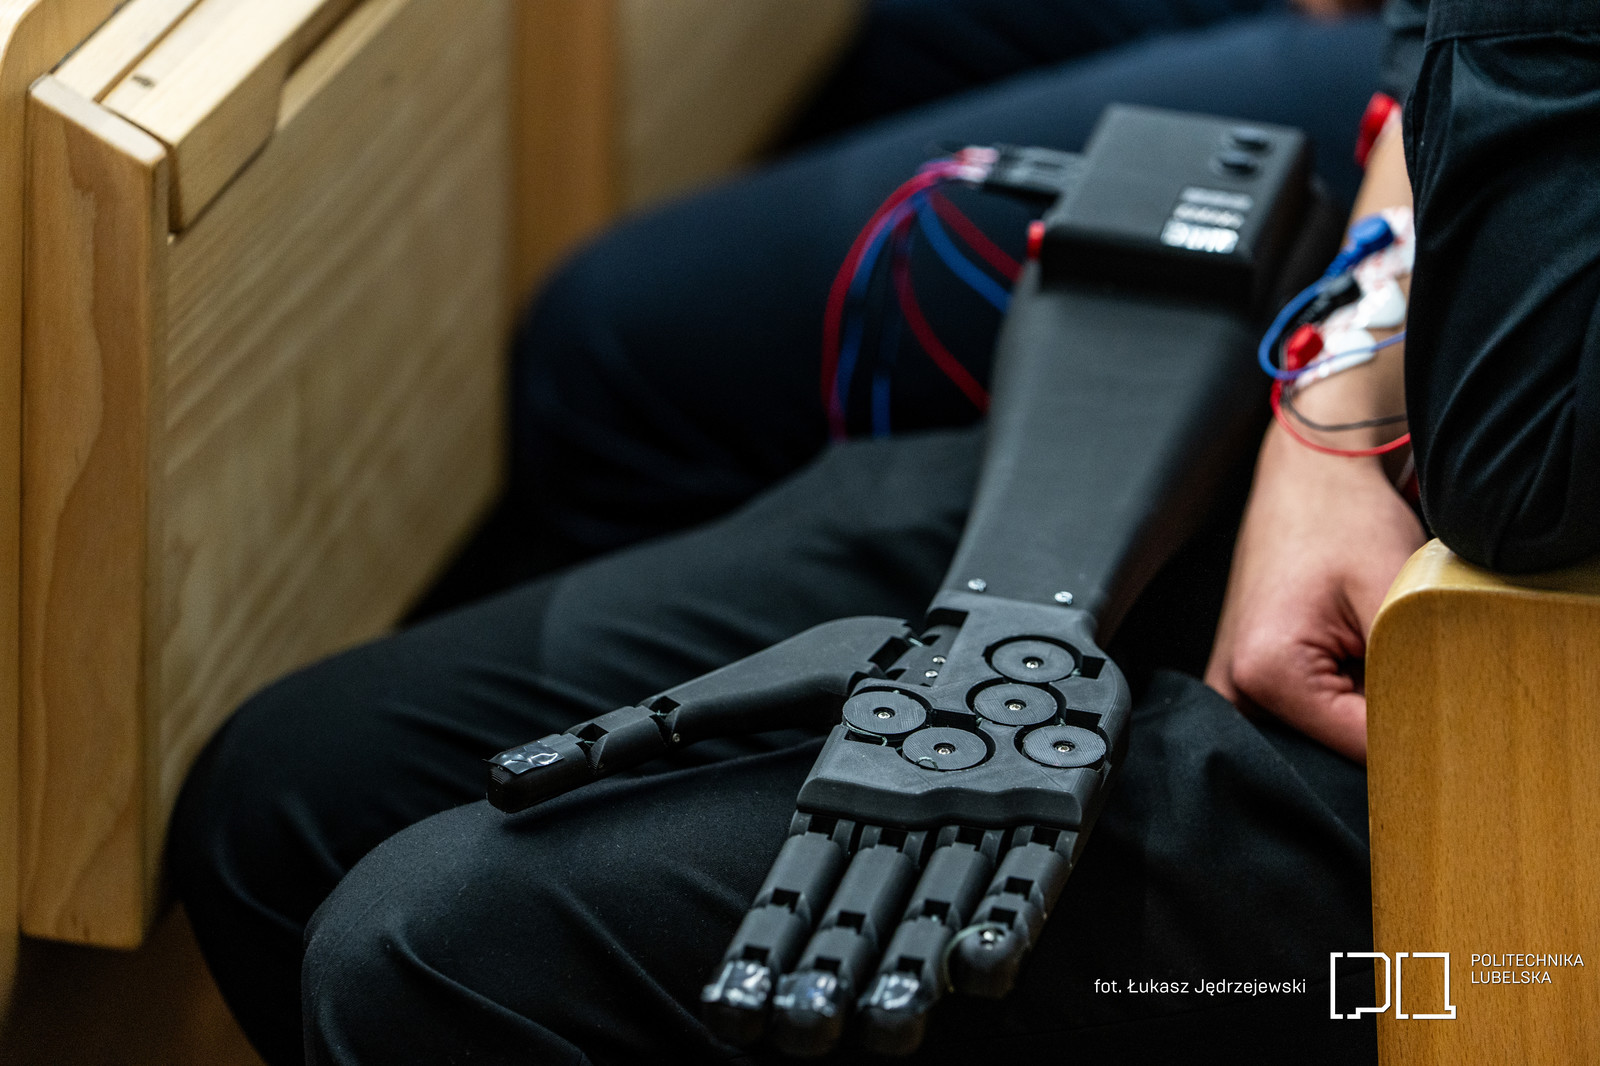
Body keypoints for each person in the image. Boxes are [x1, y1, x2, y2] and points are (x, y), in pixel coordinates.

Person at [167, 0, 1600, 1063]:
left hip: (1537, 772)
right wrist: (1334, 391)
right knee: (291, 797)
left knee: (429, 954)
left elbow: (1516, 465)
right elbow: (1432, 49)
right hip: (1407, 411)